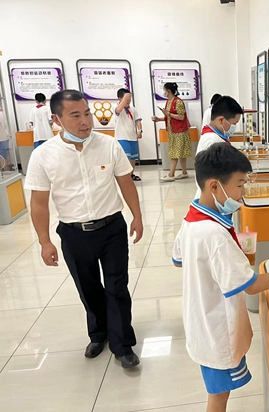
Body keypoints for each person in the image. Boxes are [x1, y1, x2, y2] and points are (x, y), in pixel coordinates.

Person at [172, 143, 269, 412]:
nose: (243, 193)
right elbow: (252, 286)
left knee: (218, 393)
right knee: (218, 397)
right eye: (239, 185)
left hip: (200, 320)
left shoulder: (192, 218)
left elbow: (179, 259)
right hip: (216, 330)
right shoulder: (214, 235)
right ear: (215, 186)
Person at [24, 89, 143, 369]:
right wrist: (44, 241)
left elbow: (126, 183)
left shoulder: (109, 145)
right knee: (88, 288)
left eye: (87, 114)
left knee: (117, 287)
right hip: (73, 232)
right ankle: (99, 334)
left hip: (112, 228)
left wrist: (137, 217)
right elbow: (39, 203)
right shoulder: (43, 155)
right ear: (57, 119)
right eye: (75, 115)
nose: (85, 121)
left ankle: (122, 344)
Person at [194, 95, 244, 199]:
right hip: (213, 198)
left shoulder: (213, 135)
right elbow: (218, 177)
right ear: (221, 120)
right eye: (234, 123)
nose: (234, 128)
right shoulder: (214, 141)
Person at [152, 82, 192, 182]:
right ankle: (184, 172)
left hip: (179, 132)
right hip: (172, 131)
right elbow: (168, 117)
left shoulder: (178, 102)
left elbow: (181, 117)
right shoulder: (169, 101)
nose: (164, 92)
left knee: (175, 153)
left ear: (168, 91)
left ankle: (171, 174)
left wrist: (168, 114)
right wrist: (159, 119)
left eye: (164, 90)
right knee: (181, 153)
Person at [115, 88, 143, 182]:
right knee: (125, 158)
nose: (129, 100)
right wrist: (124, 100)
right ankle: (125, 176)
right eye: (127, 98)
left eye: (130, 98)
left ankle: (131, 174)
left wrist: (140, 130)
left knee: (133, 158)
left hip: (132, 137)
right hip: (122, 137)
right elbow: (118, 110)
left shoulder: (133, 109)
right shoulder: (117, 107)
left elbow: (138, 120)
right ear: (120, 99)